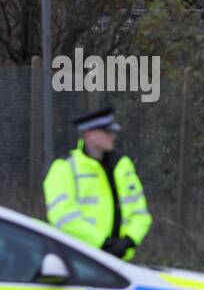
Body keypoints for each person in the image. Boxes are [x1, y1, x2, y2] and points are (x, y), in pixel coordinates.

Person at [43, 105, 151, 261]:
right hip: (80, 260)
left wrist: (129, 241)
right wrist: (103, 243)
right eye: (107, 132)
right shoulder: (65, 168)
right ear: (88, 134)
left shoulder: (122, 166)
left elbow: (140, 212)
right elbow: (63, 217)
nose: (112, 136)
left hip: (122, 261)